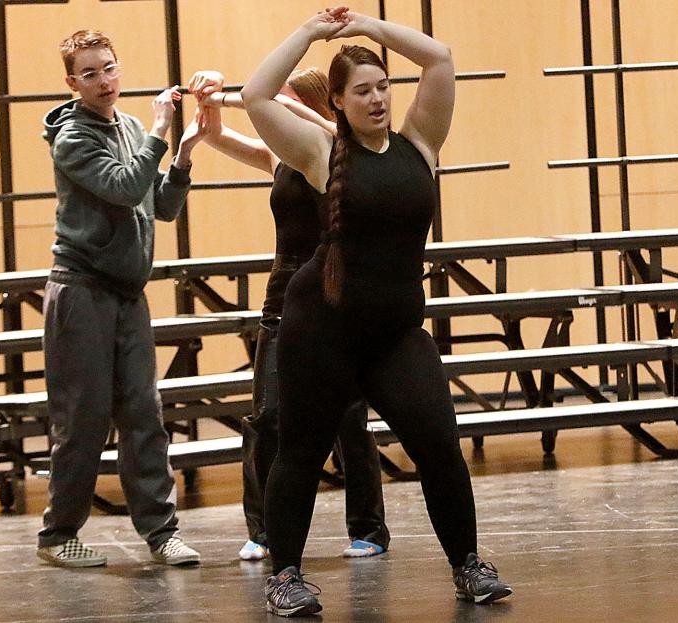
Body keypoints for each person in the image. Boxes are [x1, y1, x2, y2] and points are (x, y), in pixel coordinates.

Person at [241, 8, 513, 616]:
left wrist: (367, 26)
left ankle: (468, 564)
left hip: (394, 336)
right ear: (337, 101)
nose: (377, 98)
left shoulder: (421, 142)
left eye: (383, 86)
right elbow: (255, 94)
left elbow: (439, 57)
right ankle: (285, 575)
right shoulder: (318, 151)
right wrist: (311, 34)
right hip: (322, 333)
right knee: (301, 454)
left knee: (441, 444)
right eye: (361, 90)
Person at [186, 68, 391, 562]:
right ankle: (263, 531)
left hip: (335, 297)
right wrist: (208, 100)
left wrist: (251, 100)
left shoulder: (338, 147)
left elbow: (320, 125)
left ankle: (368, 528)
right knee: (268, 417)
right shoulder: (283, 154)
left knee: (348, 418)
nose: (271, 115)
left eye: (283, 105)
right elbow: (215, 135)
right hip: (284, 297)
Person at [36, 29, 211, 568]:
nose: (104, 80)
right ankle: (58, 533)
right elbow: (123, 186)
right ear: (73, 82)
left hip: (126, 294)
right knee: (83, 420)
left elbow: (158, 205)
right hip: (81, 291)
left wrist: (179, 158)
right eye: (90, 73)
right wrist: (160, 131)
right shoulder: (72, 137)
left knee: (144, 415)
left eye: (109, 68)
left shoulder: (132, 127)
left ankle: (161, 532)